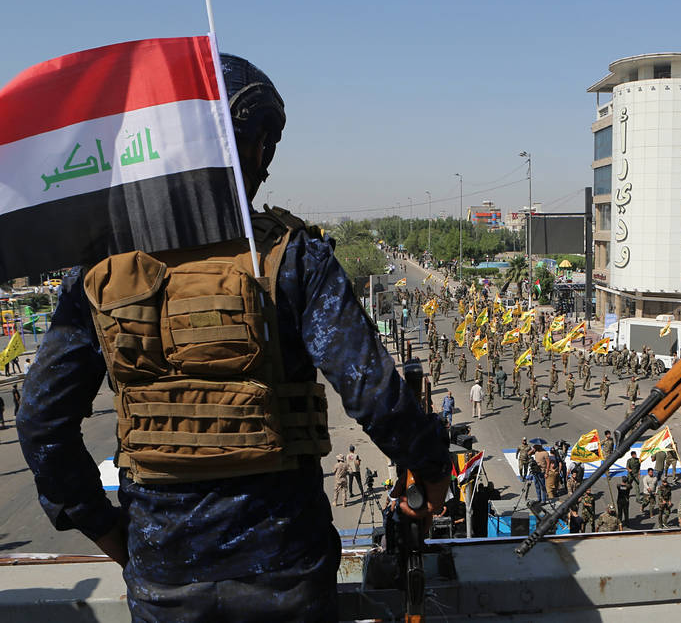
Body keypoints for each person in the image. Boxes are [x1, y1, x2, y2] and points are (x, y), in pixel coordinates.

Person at [16, 54, 451, 622]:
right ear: (241, 150)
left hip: (162, 574)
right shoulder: (293, 259)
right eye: (262, 145)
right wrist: (434, 469)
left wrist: (108, 531)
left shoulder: (101, 273)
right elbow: (372, 391)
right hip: (286, 567)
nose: (266, 165)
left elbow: (41, 420)